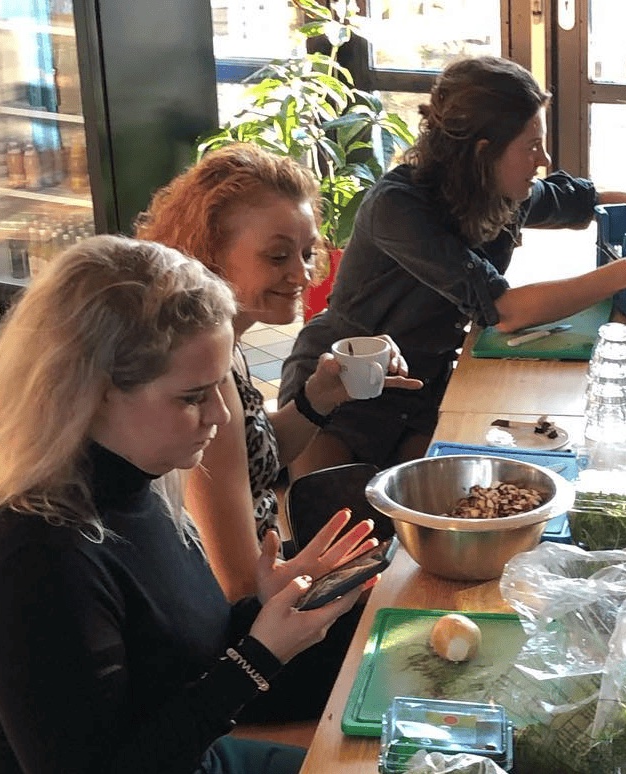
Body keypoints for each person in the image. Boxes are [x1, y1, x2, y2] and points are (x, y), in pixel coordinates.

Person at [0, 236, 381, 774]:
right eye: (191, 397)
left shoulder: (138, 480)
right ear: (94, 392)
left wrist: (262, 609)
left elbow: (166, 653)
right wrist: (258, 656)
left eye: (218, 391)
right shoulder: (34, 561)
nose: (221, 418)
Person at [278, 55, 626, 477]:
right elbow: (505, 309)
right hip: (343, 386)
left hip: (423, 386)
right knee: (331, 518)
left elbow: (595, 201)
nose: (545, 161)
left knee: (435, 508)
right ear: (483, 151)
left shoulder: (496, 194)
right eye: (532, 147)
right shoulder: (400, 206)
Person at [135, 144, 421, 601]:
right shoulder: (200, 380)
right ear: (209, 254)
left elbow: (251, 461)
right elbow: (240, 586)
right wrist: (339, 580)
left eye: (307, 253)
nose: (303, 275)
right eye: (277, 257)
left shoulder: (223, 344)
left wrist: (319, 396)